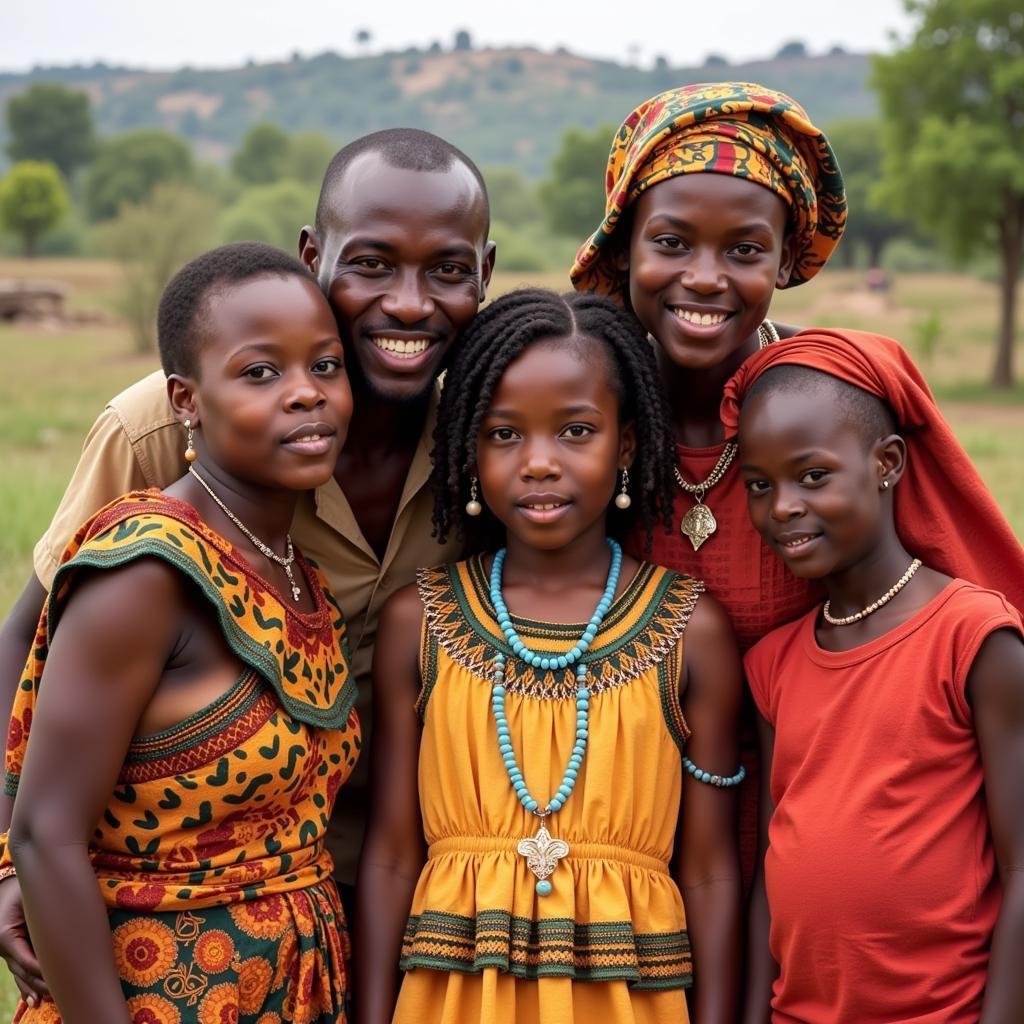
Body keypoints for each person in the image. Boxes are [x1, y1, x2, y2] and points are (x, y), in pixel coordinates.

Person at [0, 127, 495, 1002]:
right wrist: (11, 858)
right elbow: (30, 649)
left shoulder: (491, 434)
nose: (411, 304)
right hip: (169, 903)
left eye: (448, 271)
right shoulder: (162, 425)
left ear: (485, 273)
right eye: (372, 264)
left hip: (384, 894)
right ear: (315, 255)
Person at [357, 289, 743, 1024]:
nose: (538, 463)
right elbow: (390, 854)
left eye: (575, 431)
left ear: (626, 445)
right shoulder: (422, 619)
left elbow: (711, 870)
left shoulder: (692, 631)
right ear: (468, 446)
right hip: (450, 999)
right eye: (504, 435)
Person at [0, 242, 362, 1022]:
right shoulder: (146, 572)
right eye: (261, 372)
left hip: (292, 986)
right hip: (150, 993)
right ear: (186, 400)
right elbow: (44, 832)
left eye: (325, 367)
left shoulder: (297, 573)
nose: (306, 395)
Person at [728, 332, 1024, 1023]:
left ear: (887, 463)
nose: (784, 508)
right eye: (760, 485)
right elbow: (773, 874)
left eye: (814, 475)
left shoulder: (973, 638)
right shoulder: (774, 663)